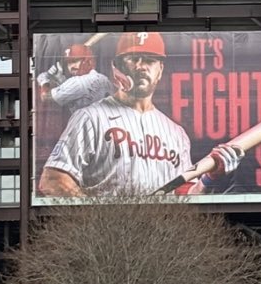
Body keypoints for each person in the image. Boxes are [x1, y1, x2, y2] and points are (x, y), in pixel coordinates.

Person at [38, 32, 241, 197]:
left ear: (160, 70)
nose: (141, 66)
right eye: (133, 58)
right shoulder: (90, 118)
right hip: (105, 236)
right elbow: (53, 178)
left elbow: (184, 195)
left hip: (162, 236)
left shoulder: (176, 133)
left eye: (150, 60)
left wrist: (209, 179)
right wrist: (95, 217)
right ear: (116, 66)